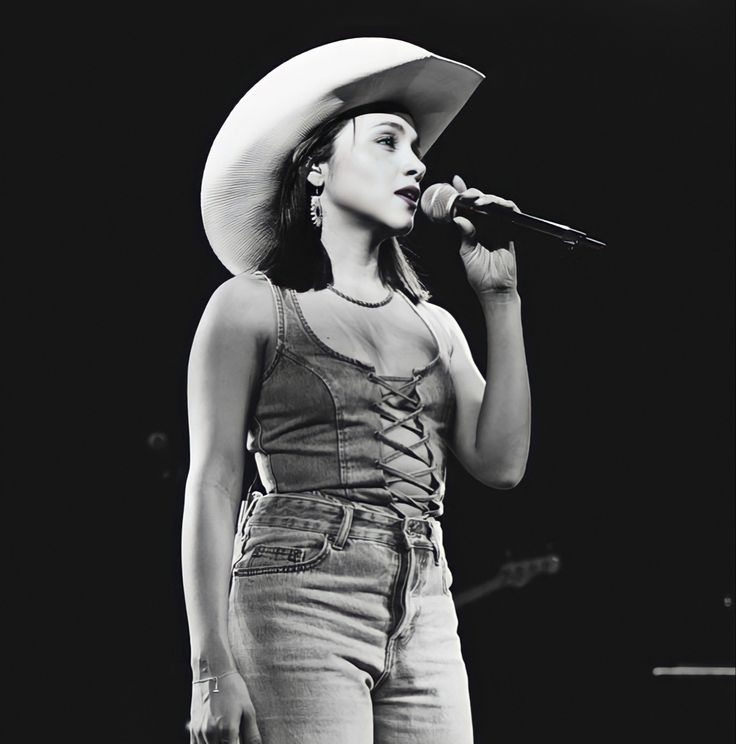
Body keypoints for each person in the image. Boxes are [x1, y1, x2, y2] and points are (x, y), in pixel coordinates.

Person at [182, 38, 531, 744]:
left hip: (426, 597)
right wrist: (210, 667)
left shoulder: (435, 324)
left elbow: (501, 465)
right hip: (297, 588)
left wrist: (500, 297)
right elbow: (213, 481)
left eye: (416, 148)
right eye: (388, 141)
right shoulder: (251, 305)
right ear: (316, 167)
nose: (417, 162)